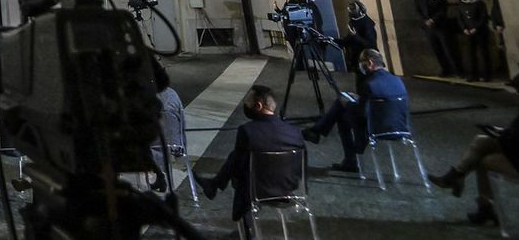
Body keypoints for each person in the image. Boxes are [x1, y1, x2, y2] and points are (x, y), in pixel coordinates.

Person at [428, 71, 519, 226]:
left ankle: (483, 206)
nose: (515, 96)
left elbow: (515, 142)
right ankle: (456, 177)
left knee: (486, 161)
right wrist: (504, 134)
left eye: (517, 93)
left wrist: (501, 134)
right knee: (482, 141)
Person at [199, 85, 305, 235]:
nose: (245, 105)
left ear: (258, 105)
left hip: (257, 190)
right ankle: (214, 184)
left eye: (247, 102)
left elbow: (239, 167)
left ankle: (246, 229)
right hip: (288, 188)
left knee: (239, 173)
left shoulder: (247, 131)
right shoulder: (295, 132)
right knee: (236, 157)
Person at [301, 49, 408, 173]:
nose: (361, 67)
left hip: (375, 128)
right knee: (343, 106)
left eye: (362, 63)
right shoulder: (397, 80)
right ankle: (318, 132)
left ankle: (345, 156)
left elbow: (362, 113)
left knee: (341, 111)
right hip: (400, 127)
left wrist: (348, 102)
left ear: (370, 63)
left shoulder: (369, 84)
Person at [149, 59, 186, 192]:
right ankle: (160, 177)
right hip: (176, 146)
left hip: (156, 148)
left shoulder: (149, 98)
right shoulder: (172, 94)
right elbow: (182, 124)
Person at [415, 0, 459, 77]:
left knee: (448, 49)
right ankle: (445, 69)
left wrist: (433, 20)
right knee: (436, 50)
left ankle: (457, 70)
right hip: (428, 29)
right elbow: (418, 11)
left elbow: (443, 10)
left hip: (440, 27)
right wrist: (425, 21)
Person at [458, 0, 493, 82]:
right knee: (470, 54)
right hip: (467, 32)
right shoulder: (461, 3)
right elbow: (460, 17)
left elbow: (483, 17)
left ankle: (486, 75)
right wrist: (464, 28)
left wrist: (476, 28)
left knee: (483, 53)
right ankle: (473, 74)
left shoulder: (479, 3)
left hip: (479, 32)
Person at [339, 0, 379, 74]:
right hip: (357, 61)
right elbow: (347, 41)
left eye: (353, 9)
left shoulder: (367, 24)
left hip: (369, 61)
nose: (350, 13)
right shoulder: (353, 22)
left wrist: (355, 36)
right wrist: (331, 39)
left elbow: (370, 44)